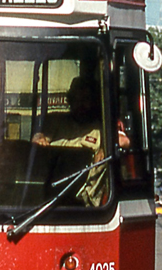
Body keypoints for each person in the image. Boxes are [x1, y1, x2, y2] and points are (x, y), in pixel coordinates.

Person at [32, 76, 127, 205]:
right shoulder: (55, 122)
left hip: (84, 204)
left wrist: (106, 147)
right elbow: (40, 138)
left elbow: (124, 141)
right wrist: (39, 139)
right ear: (70, 100)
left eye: (86, 99)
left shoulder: (103, 127)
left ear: (94, 102)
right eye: (77, 99)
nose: (81, 104)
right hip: (49, 198)